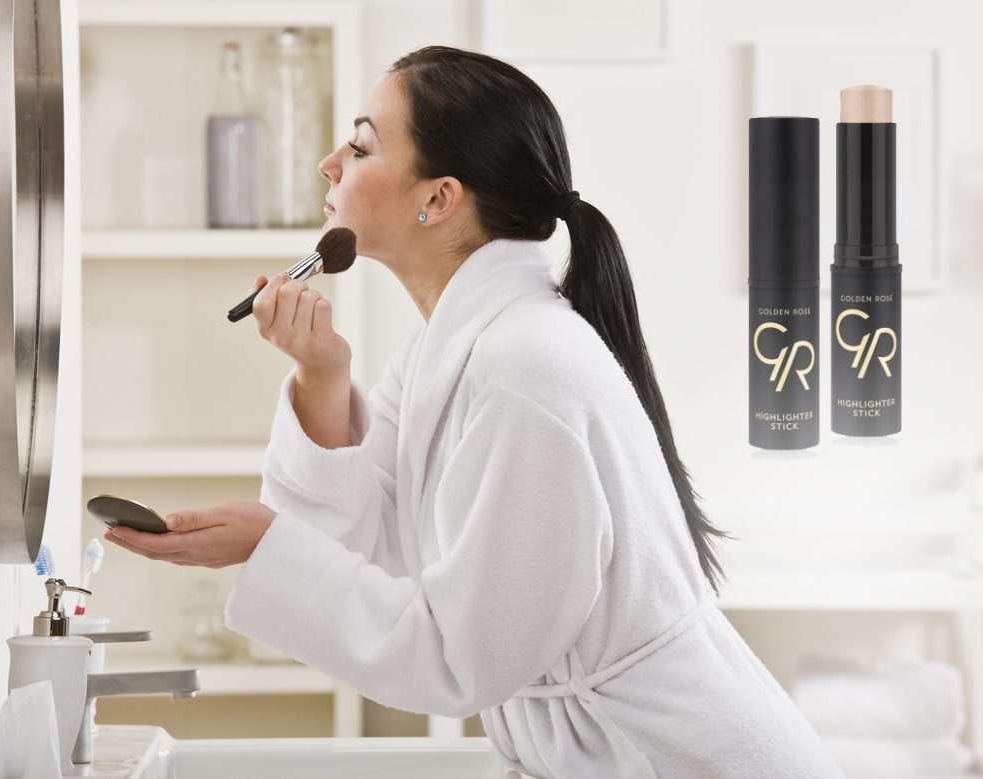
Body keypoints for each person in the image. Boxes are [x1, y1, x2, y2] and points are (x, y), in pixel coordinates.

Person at [104, 45, 844, 779]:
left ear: (438, 198)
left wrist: (264, 544)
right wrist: (322, 374)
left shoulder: (526, 368)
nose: (330, 163)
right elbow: (361, 548)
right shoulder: (450, 351)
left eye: (360, 145)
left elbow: (457, 658)